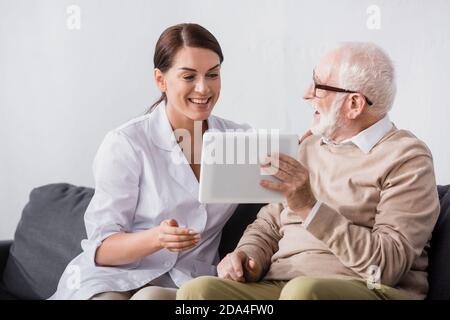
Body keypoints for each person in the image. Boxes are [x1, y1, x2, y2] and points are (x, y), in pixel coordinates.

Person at [177, 42, 440, 300]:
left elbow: (386, 266)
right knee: (197, 291)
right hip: (282, 284)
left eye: (319, 87)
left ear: (354, 104)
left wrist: (309, 207)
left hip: (367, 288)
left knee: (301, 292)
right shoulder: (309, 146)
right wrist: (247, 255)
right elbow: (269, 223)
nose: (306, 94)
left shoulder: (407, 157)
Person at [49, 23, 249, 300]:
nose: (203, 88)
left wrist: (316, 140)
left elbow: (293, 170)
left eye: (212, 75)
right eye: (189, 76)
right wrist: (157, 238)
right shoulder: (127, 143)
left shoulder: (239, 141)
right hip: (114, 274)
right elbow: (102, 248)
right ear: (161, 80)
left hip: (187, 280)